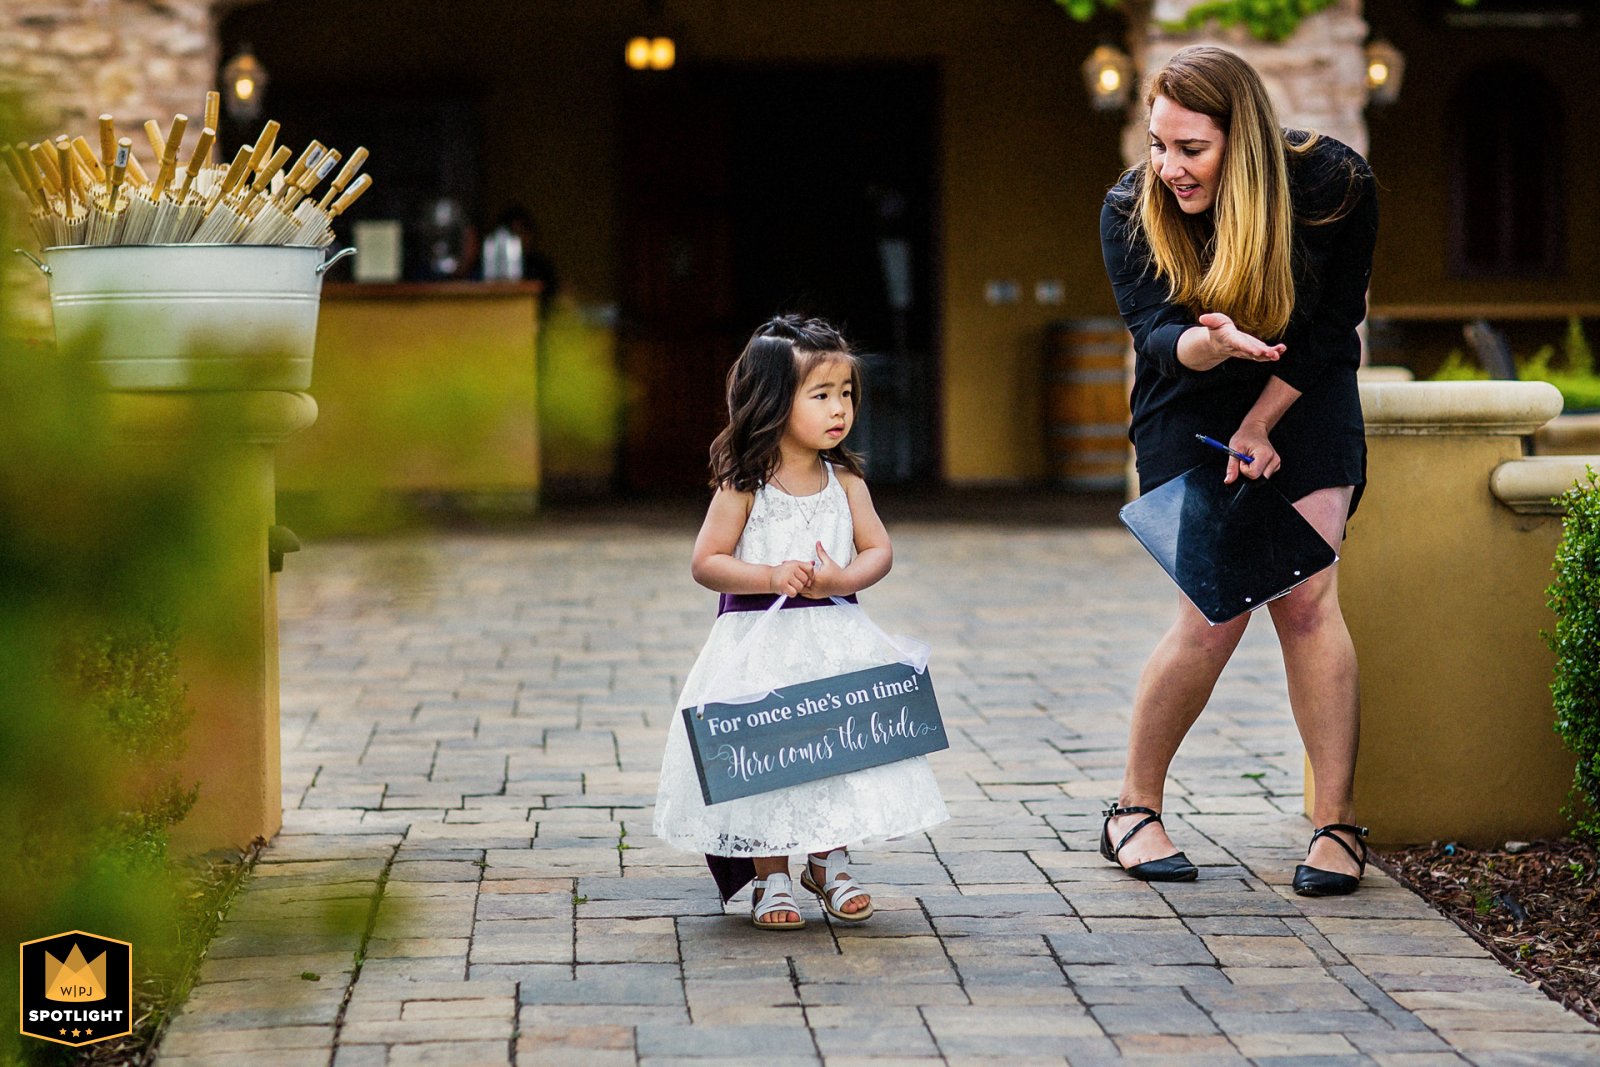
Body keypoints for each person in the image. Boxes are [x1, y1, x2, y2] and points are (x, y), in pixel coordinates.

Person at [1098, 46, 1379, 896]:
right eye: (1158, 143)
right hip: (1188, 398)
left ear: (1243, 137)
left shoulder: (1333, 186)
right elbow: (1155, 334)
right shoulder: (1129, 207)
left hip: (1305, 390)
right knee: (1213, 614)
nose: (1169, 167)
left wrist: (1264, 417)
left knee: (1305, 598)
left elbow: (1334, 327)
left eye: (1192, 149)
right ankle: (1131, 810)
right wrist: (1211, 343)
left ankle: (1336, 823)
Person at [652, 315, 949, 928]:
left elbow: (878, 551)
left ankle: (830, 861)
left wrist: (842, 579)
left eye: (846, 393)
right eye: (821, 395)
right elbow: (706, 562)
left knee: (835, 752)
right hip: (762, 642)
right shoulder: (746, 483)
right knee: (769, 759)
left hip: (833, 642)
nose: (839, 408)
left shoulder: (846, 480)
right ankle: (771, 877)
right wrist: (767, 575)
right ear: (772, 400)